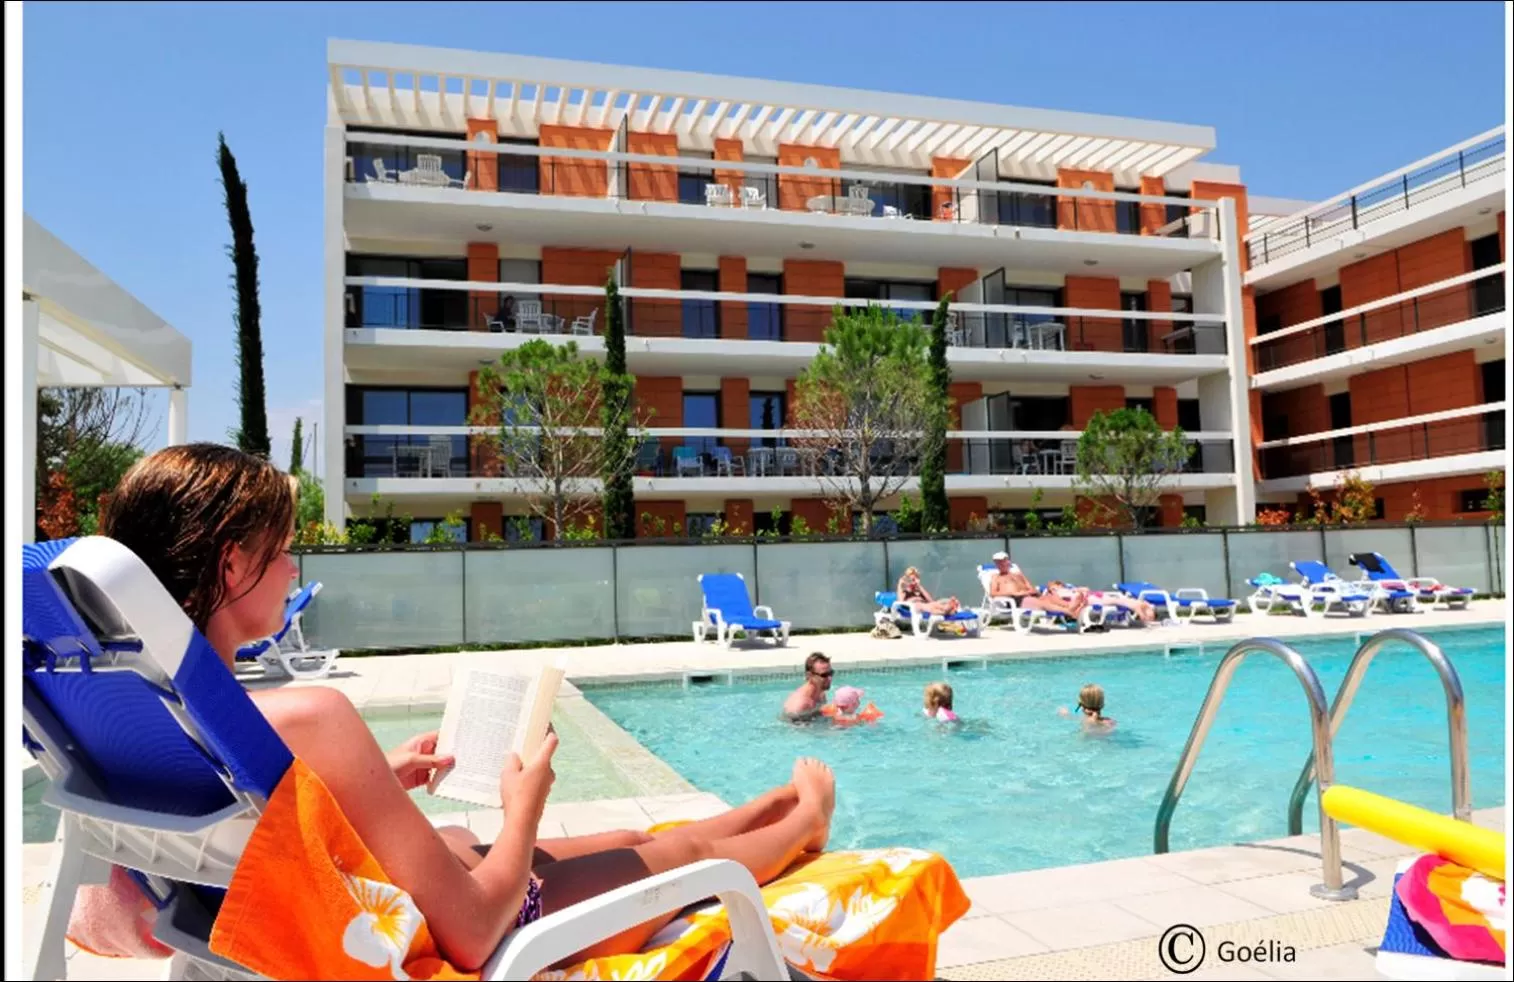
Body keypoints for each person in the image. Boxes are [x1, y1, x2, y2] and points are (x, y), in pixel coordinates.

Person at [93, 444, 837, 972]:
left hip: (382, 889)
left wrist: (375, 775)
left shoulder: (143, 717)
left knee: (625, 834)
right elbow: (478, 932)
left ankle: (759, 809)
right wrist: (524, 807)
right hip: (481, 922)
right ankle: (805, 820)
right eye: (284, 549)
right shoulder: (311, 716)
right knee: (684, 858)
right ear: (232, 564)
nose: (293, 569)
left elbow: (252, 819)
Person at [783, 652, 834, 721]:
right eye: (824, 675)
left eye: (831, 673)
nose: (830, 678)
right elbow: (794, 725)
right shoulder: (800, 705)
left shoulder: (820, 692)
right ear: (809, 675)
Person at [896, 567, 961, 616]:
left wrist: (919, 586)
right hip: (913, 607)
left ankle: (947, 610)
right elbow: (900, 602)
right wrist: (900, 584)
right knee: (923, 606)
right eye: (912, 579)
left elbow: (931, 601)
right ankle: (947, 609)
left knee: (932, 604)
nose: (913, 582)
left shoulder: (920, 591)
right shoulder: (906, 591)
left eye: (916, 578)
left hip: (926, 607)